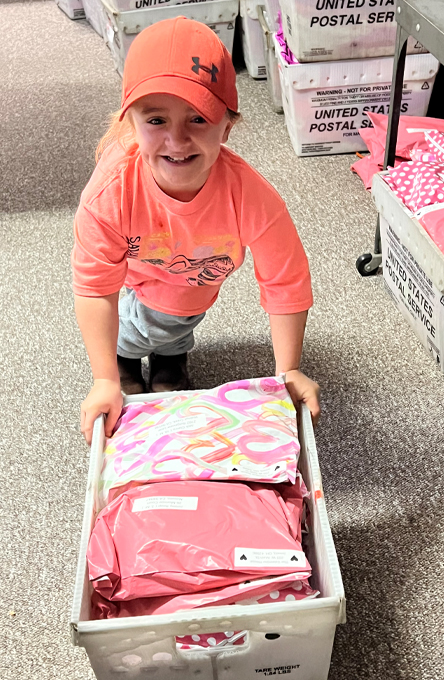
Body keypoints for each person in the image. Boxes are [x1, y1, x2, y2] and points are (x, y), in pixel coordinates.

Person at [72, 16, 320, 445]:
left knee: (179, 312)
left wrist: (288, 369)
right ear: (130, 122)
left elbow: (286, 281)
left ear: (228, 125)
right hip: (135, 261)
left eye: (198, 120)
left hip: (193, 277)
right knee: (135, 327)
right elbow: (96, 286)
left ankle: (170, 354)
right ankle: (127, 359)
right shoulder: (109, 194)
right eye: (156, 121)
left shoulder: (251, 197)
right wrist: (104, 378)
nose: (177, 140)